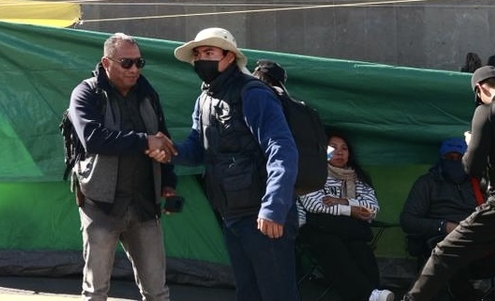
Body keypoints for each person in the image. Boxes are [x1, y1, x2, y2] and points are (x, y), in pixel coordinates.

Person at [172, 27, 299, 301]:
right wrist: (167, 151)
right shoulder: (203, 100)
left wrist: (274, 207)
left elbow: (282, 148)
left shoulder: (253, 93)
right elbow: (197, 150)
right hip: (231, 215)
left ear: (229, 57)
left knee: (277, 294)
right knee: (248, 293)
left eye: (209, 52)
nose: (201, 59)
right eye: (198, 54)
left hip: (262, 215)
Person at [66, 32, 176, 301]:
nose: (135, 69)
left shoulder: (148, 94)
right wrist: (144, 141)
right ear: (106, 63)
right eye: (127, 63)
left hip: (144, 206)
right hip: (102, 206)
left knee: (157, 292)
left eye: (140, 63)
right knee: (96, 292)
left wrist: (168, 178)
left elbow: (161, 137)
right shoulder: (86, 93)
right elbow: (93, 139)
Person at [403, 67, 495, 300]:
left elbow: (471, 168)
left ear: (480, 89)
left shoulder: (488, 111)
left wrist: (473, 142)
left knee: (443, 253)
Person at [400, 137, 495, 301]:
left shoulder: (479, 183)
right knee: (451, 253)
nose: (455, 162)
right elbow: (408, 221)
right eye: (449, 158)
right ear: (441, 159)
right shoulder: (427, 183)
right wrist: (444, 226)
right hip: (444, 246)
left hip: (480, 246)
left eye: (459, 158)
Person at [297, 129, 392, 301]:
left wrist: (341, 202)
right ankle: (370, 294)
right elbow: (315, 205)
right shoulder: (311, 173)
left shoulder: (357, 177)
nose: (339, 152)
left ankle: (372, 293)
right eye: (332, 147)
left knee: (360, 247)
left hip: (347, 230)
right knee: (332, 244)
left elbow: (371, 209)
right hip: (315, 229)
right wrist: (352, 210)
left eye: (344, 148)